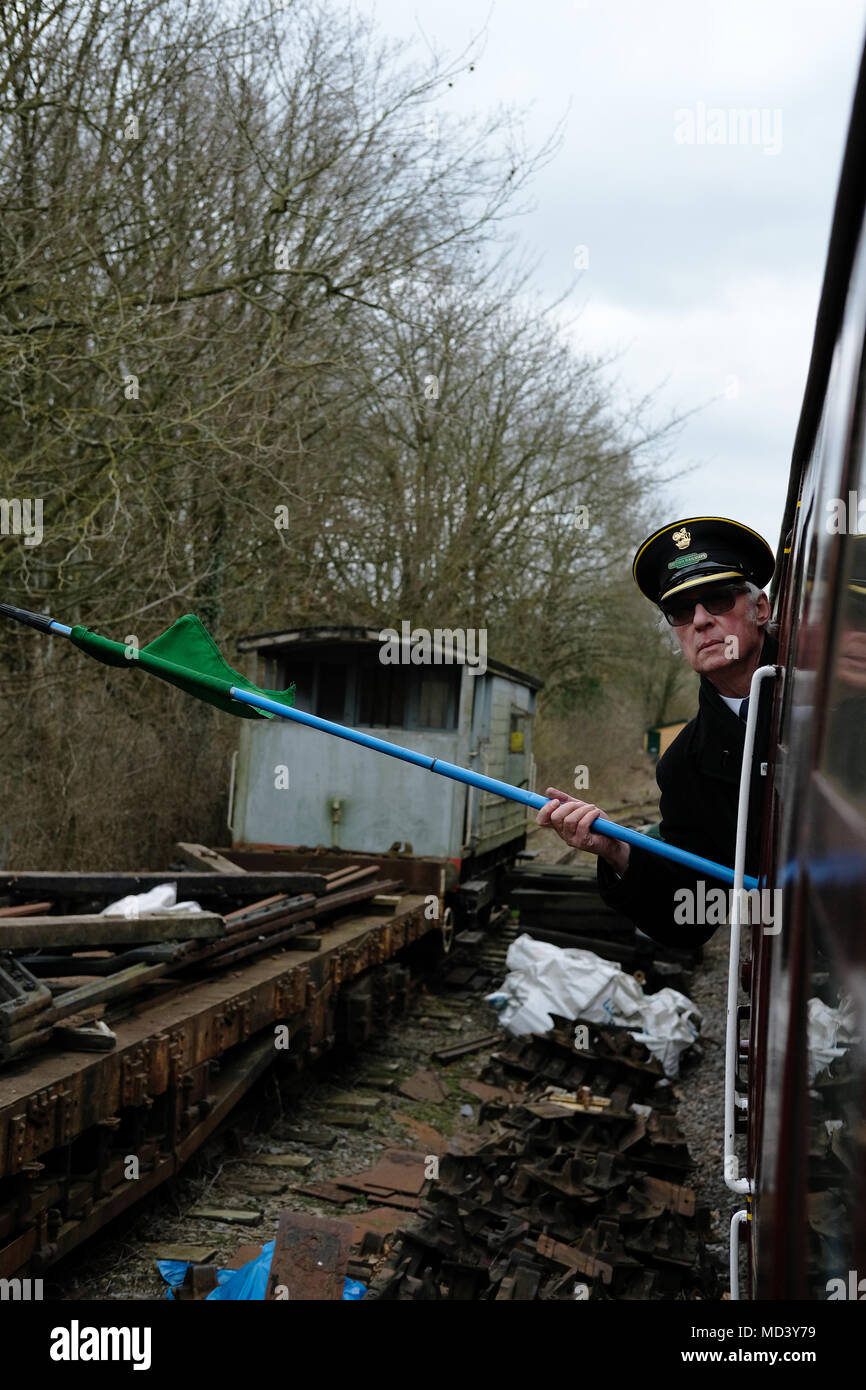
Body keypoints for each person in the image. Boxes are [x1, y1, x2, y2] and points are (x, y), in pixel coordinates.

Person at [536, 516, 777, 947]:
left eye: (718, 600)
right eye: (681, 611)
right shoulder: (684, 764)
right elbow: (692, 915)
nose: (701, 621)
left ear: (760, 609)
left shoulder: (837, 697)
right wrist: (616, 850)